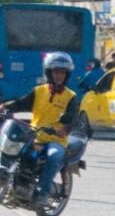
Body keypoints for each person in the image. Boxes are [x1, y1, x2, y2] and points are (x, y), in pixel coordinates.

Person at [1, 52, 79, 205]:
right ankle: (16, 183)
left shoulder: (71, 96)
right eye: (56, 71)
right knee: (12, 148)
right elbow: (21, 103)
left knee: (54, 156)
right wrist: (5, 107)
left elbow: (72, 118)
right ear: (49, 72)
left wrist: (64, 129)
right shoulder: (39, 91)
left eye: (62, 72)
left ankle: (42, 193)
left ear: (67, 75)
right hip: (34, 136)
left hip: (56, 140)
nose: (59, 75)